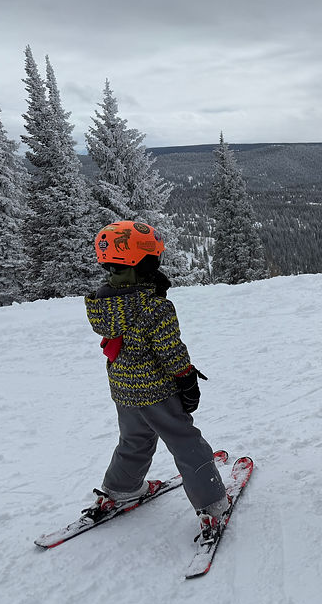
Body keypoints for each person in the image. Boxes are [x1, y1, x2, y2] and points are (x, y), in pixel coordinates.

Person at [84, 221, 229, 543]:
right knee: (186, 443)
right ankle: (212, 503)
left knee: (134, 440)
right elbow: (171, 352)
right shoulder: (155, 307)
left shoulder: (103, 303)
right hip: (156, 391)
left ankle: (121, 489)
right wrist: (187, 380)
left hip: (124, 389)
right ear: (145, 264)